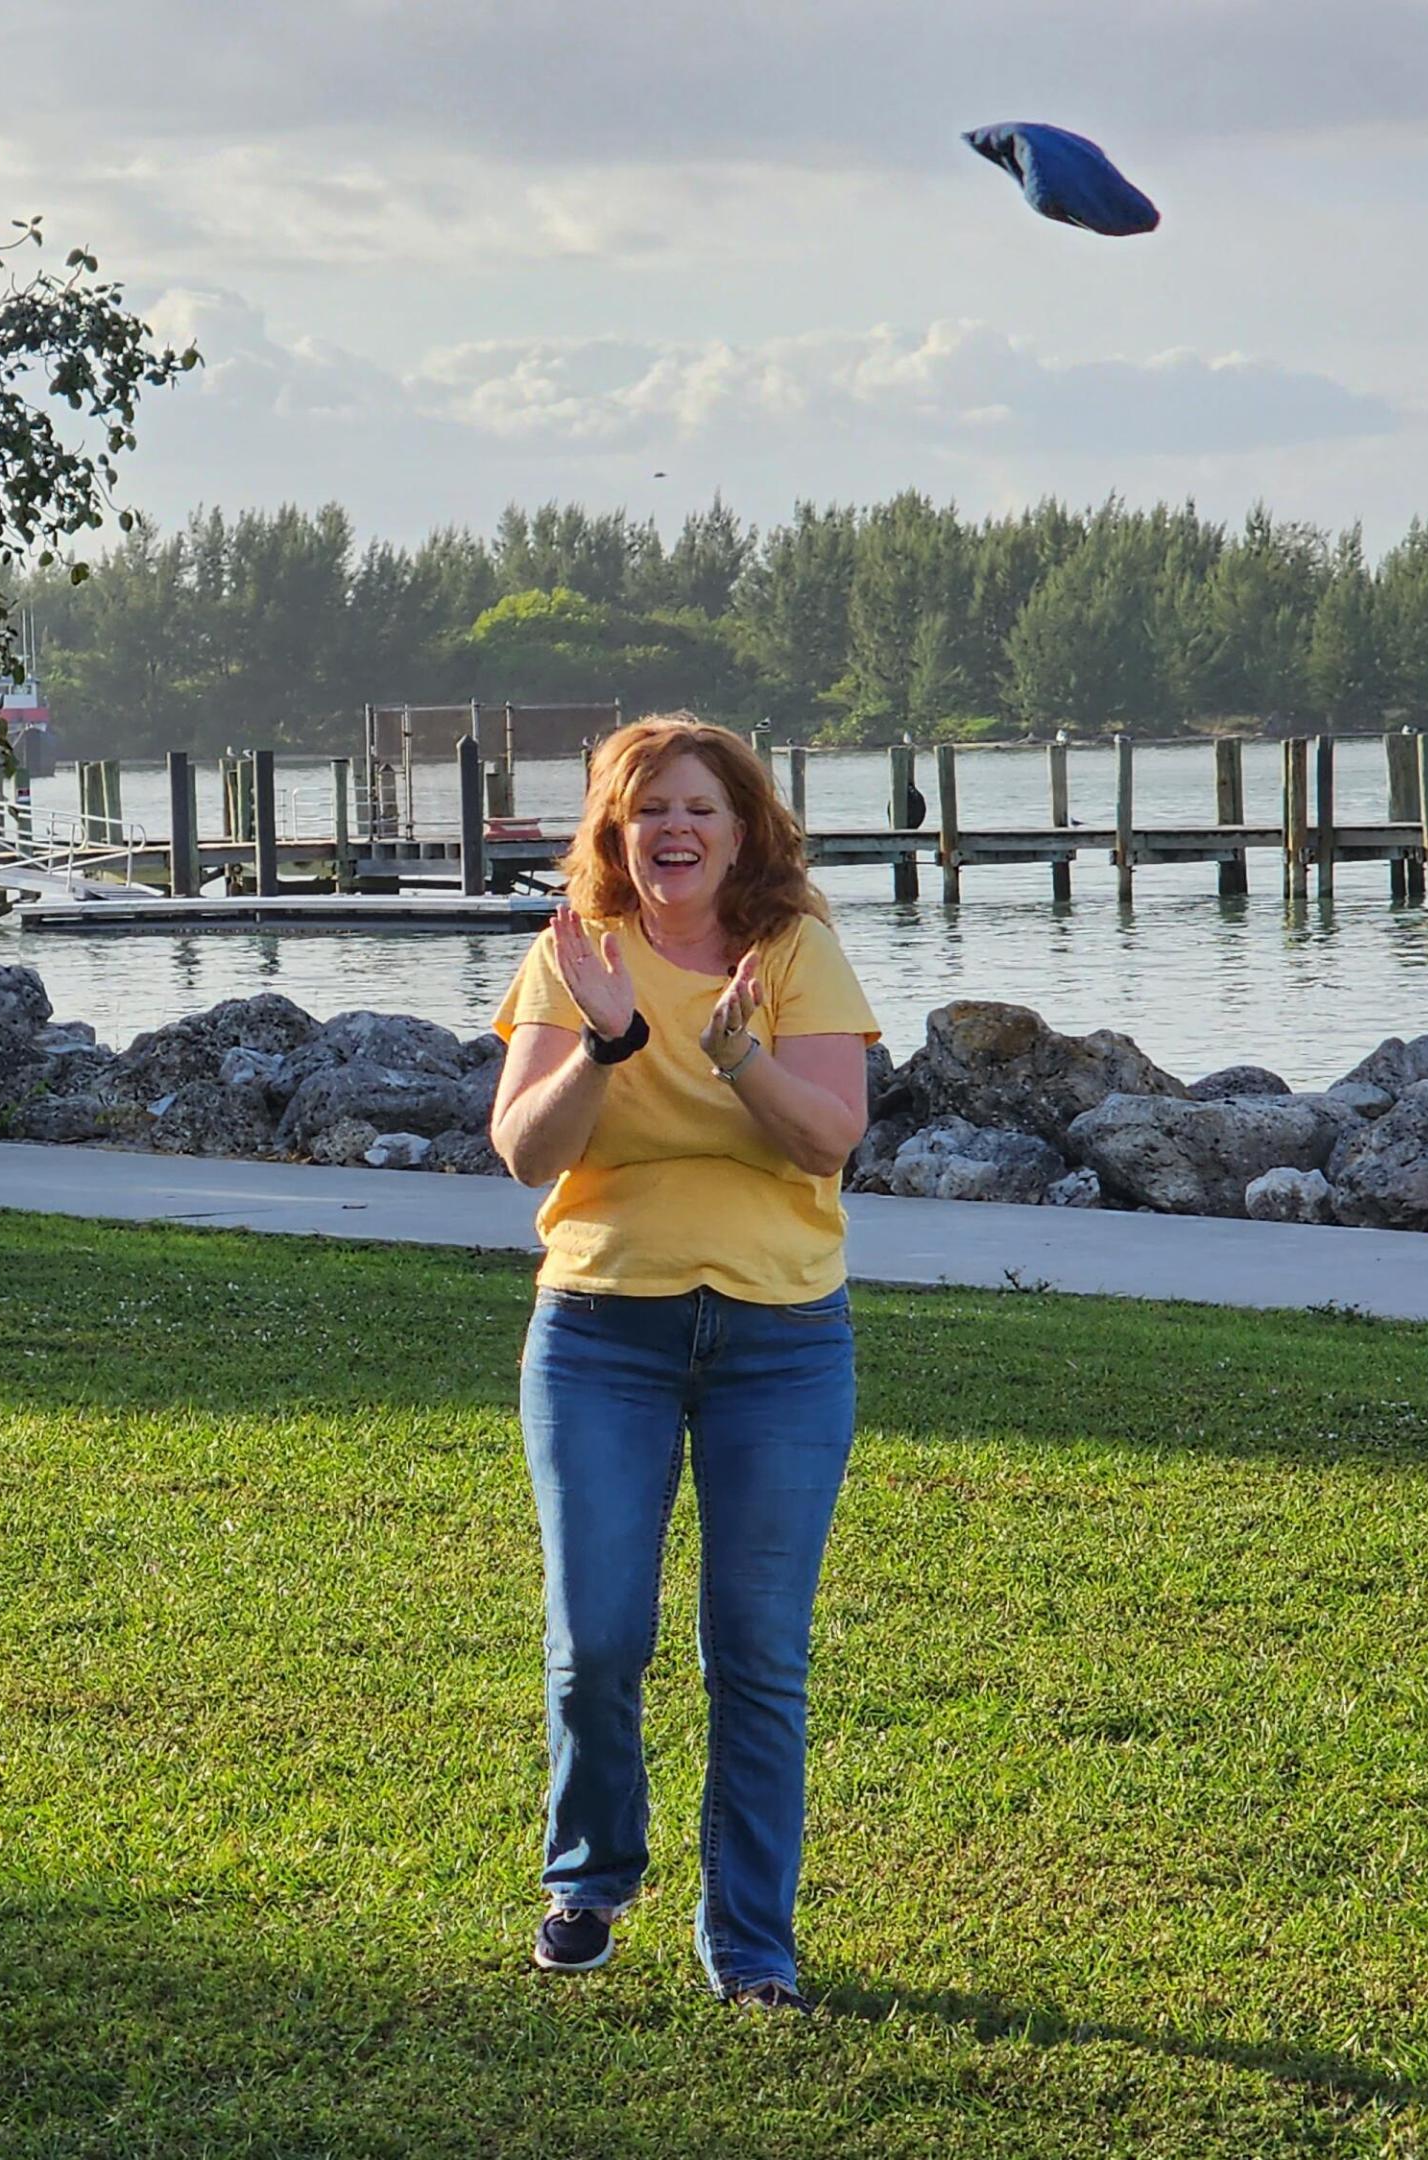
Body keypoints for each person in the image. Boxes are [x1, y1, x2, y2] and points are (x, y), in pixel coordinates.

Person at [486, 716, 877, 2011]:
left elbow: (826, 1141)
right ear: (616, 829)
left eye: (701, 808)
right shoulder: (578, 957)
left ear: (743, 826)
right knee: (597, 1641)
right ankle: (590, 1879)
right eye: (650, 809)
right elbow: (528, 1154)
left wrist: (737, 1055)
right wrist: (608, 1045)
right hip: (604, 1336)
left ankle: (752, 1952)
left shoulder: (794, 952)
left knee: (756, 1658)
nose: (676, 830)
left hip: (781, 1347)